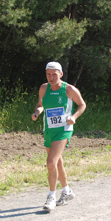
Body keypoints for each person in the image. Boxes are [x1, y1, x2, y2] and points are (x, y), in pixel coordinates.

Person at [31, 61, 87, 212]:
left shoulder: (69, 89)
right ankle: (67, 191)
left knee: (51, 162)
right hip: (49, 129)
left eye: (54, 74)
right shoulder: (44, 88)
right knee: (58, 163)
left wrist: (74, 117)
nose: (51, 77)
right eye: (48, 74)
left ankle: (51, 196)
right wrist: (37, 112)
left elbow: (82, 105)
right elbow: (40, 104)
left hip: (64, 129)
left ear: (61, 74)